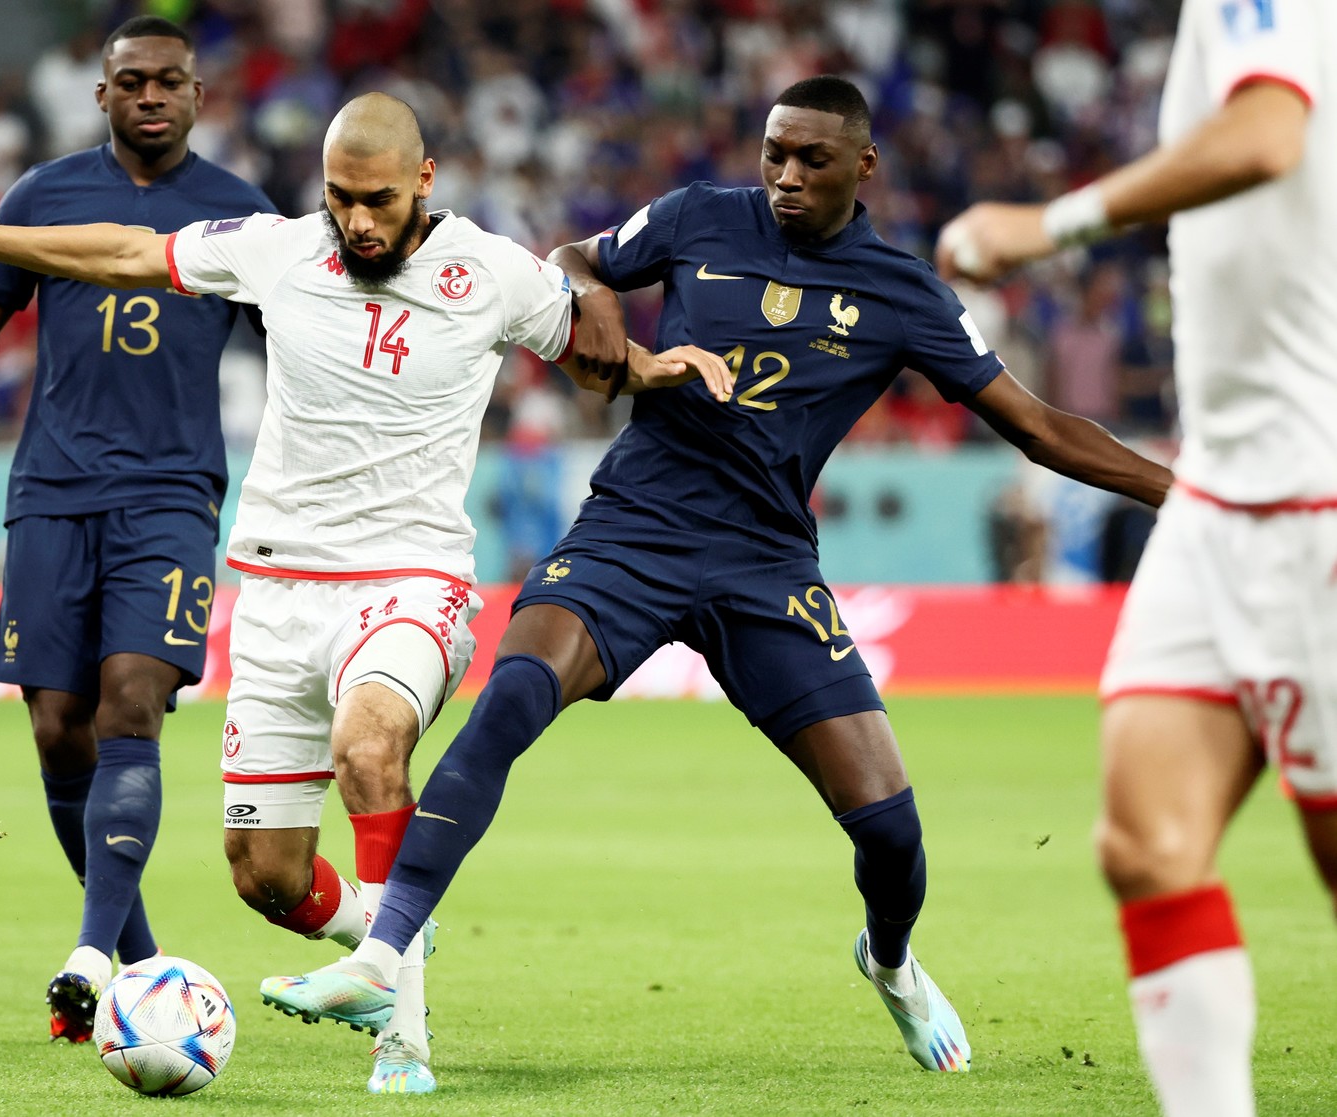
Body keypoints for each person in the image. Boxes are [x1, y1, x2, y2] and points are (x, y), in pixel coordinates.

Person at [264, 75, 1174, 1081]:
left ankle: (889, 959)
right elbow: (571, 259)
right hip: (633, 528)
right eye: (773, 153)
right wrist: (599, 296)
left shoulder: (901, 291)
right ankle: (382, 954)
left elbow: (1038, 427)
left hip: (764, 562)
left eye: (811, 159)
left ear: (862, 165)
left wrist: (1182, 494)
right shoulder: (699, 216)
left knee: (888, 828)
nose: (784, 175)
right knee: (510, 698)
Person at [0, 92, 730, 1093]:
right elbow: (123, 252)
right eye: (338, 198)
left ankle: (400, 1032)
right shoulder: (278, 250)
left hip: (410, 579)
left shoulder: (491, 272)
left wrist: (651, 368)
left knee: (368, 747)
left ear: (423, 182)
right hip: (276, 591)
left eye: (375, 200)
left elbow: (586, 357)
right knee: (264, 876)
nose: (355, 221)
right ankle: (392, 927)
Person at [935, 3, 1333, 1114]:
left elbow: (1265, 135)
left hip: (1311, 494)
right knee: (1145, 840)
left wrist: (1049, 222)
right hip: (1221, 489)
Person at [0, 16, 276, 1044]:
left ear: (199, 95)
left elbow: (305, 352)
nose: (152, 97)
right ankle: (140, 967)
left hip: (170, 500)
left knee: (129, 703)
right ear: (100, 96)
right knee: (57, 724)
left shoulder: (242, 218)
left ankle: (90, 952)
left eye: (170, 83)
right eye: (132, 82)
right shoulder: (41, 199)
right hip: (51, 494)